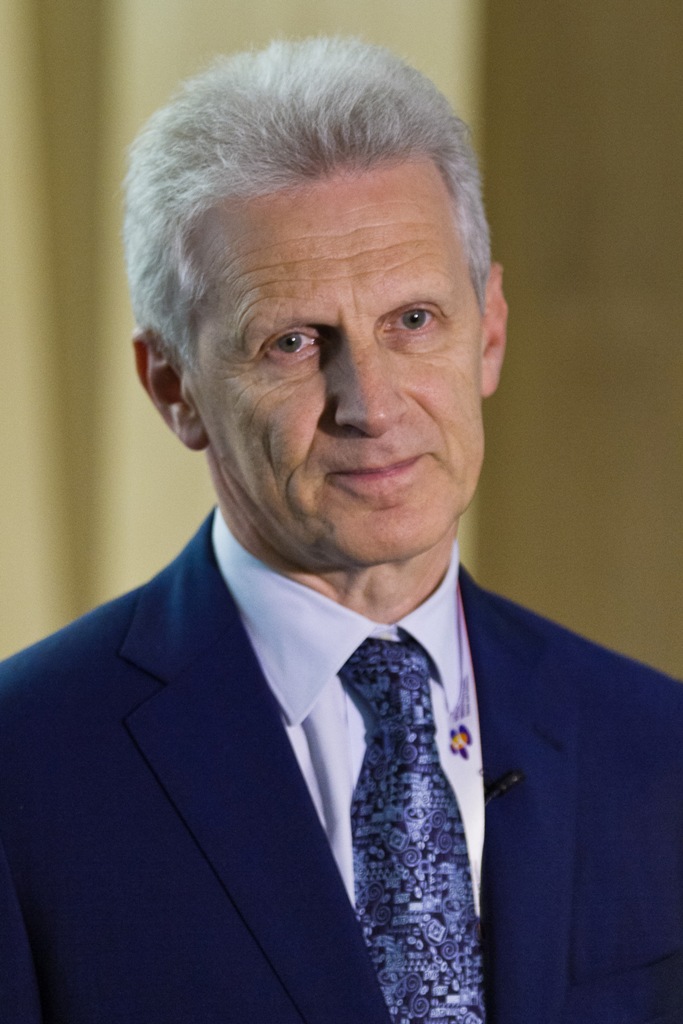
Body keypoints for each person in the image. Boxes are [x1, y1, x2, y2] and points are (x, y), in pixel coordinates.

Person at [1, 36, 682, 1024]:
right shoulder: (25, 770)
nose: (370, 403)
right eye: (291, 342)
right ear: (173, 386)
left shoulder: (656, 748)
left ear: (488, 330)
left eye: (413, 321)